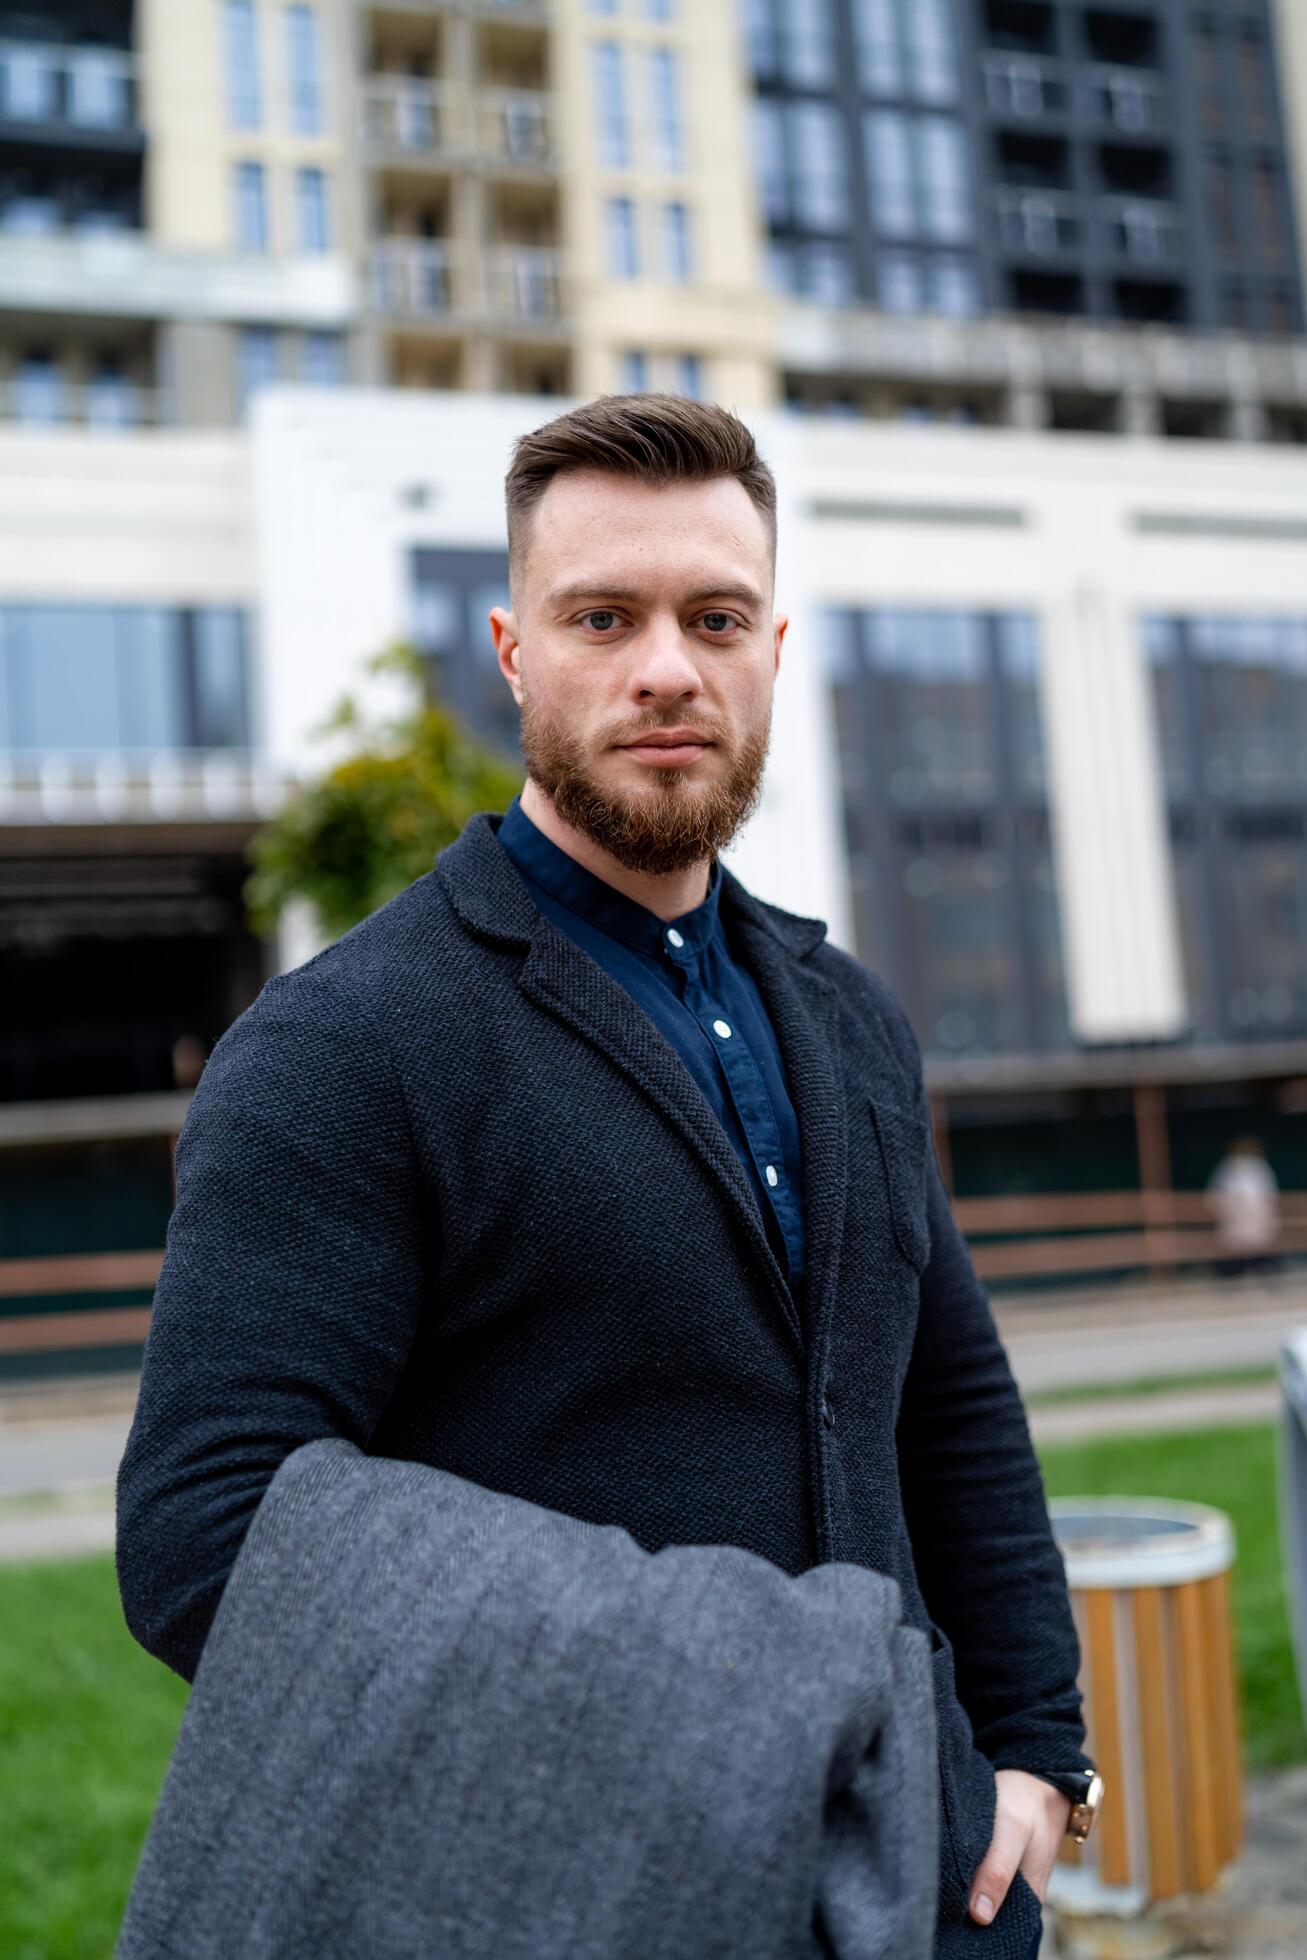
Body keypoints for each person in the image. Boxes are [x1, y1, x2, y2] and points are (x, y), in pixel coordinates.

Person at [117, 395, 1098, 1959]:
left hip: (921, 1880)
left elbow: (946, 1404)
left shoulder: (848, 1017)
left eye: (714, 618)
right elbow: (203, 1536)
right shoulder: (345, 1045)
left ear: (772, 647)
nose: (665, 667)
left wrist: (1042, 1752)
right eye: (602, 616)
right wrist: (726, 1712)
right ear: (513, 650)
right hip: (574, 1896)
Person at [1207, 1135, 1280, 1282]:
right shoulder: (1228, 1168)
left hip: (1257, 1221)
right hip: (1235, 1221)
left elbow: (1268, 1196)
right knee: (1236, 1252)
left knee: (1259, 1251)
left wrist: (1267, 1216)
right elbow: (1216, 1197)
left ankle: (1262, 1279)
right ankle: (1232, 1279)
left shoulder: (1260, 1168)